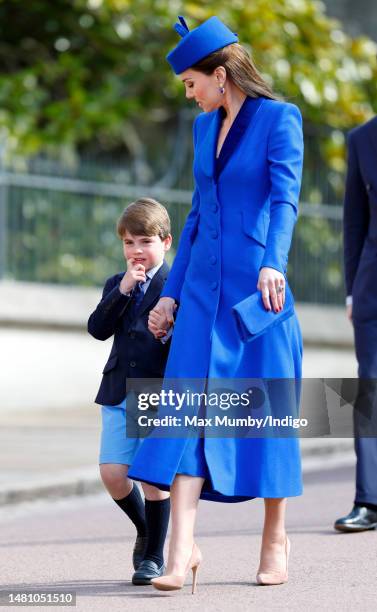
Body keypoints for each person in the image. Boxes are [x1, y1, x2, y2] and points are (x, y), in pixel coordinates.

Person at [129, 15, 304, 590]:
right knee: (184, 416)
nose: (189, 93)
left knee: (266, 416)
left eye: (191, 83)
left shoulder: (280, 120)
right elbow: (199, 216)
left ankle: (275, 539)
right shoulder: (205, 130)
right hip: (202, 297)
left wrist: (274, 262)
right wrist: (171, 295)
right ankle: (181, 555)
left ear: (221, 75)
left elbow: (285, 201)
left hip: (258, 296)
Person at [87, 197, 173, 584]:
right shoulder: (116, 284)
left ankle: (153, 557)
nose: (136, 251)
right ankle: (145, 529)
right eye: (129, 243)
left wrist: (168, 329)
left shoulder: (175, 287)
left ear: (165, 242)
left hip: (155, 389)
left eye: (145, 241)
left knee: (153, 478)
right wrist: (121, 290)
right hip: (118, 388)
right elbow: (97, 329)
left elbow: (185, 341)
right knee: (113, 473)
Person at [334, 116, 377, 532]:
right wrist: (351, 291)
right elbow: (354, 220)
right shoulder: (362, 139)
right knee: (370, 389)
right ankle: (369, 500)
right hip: (372, 288)